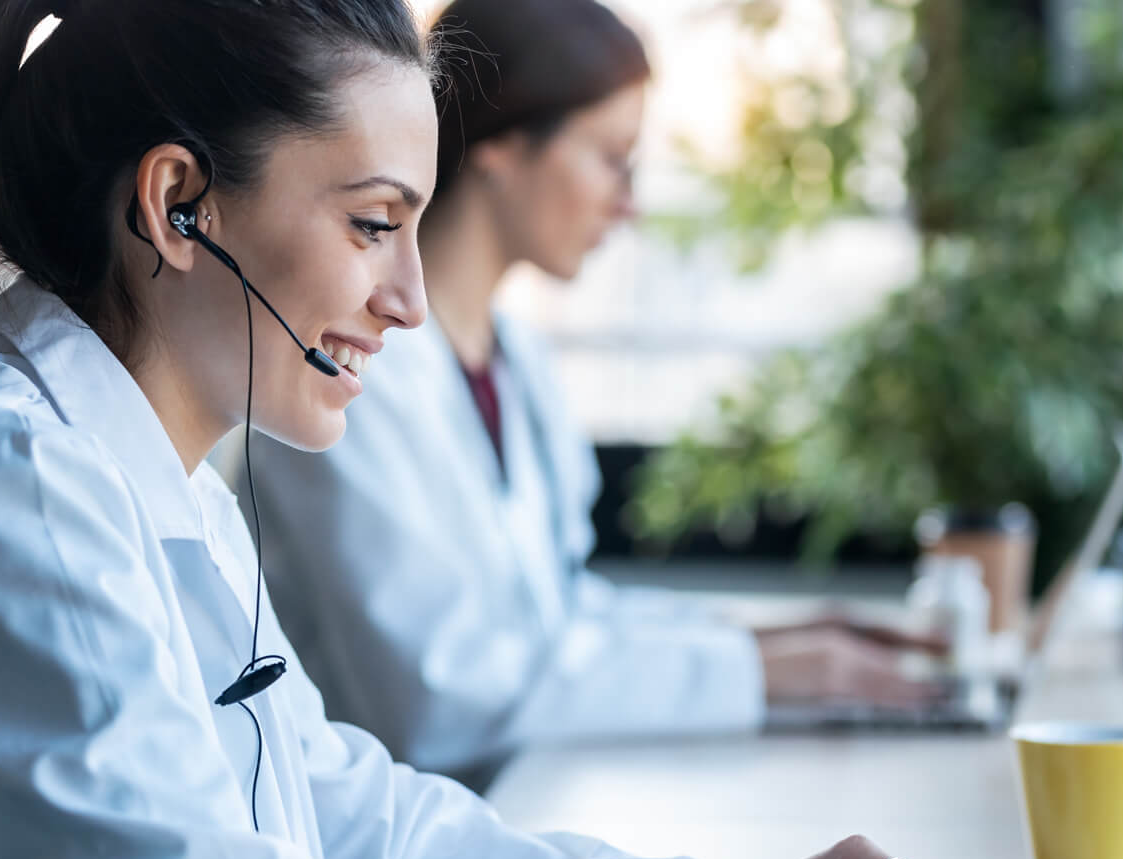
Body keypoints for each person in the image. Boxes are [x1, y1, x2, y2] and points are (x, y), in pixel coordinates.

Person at [0, 1, 987, 859]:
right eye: (373, 224)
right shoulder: (0, 502)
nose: (412, 299)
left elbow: (343, 821)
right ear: (178, 205)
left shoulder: (149, 469)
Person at [241, 0, 940, 790]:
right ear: (504, 149)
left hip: (529, 800)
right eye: (612, 157)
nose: (629, 202)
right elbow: (444, 698)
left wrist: (770, 642)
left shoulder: (518, 363)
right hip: (407, 841)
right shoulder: (345, 373)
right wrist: (758, 670)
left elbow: (560, 614)